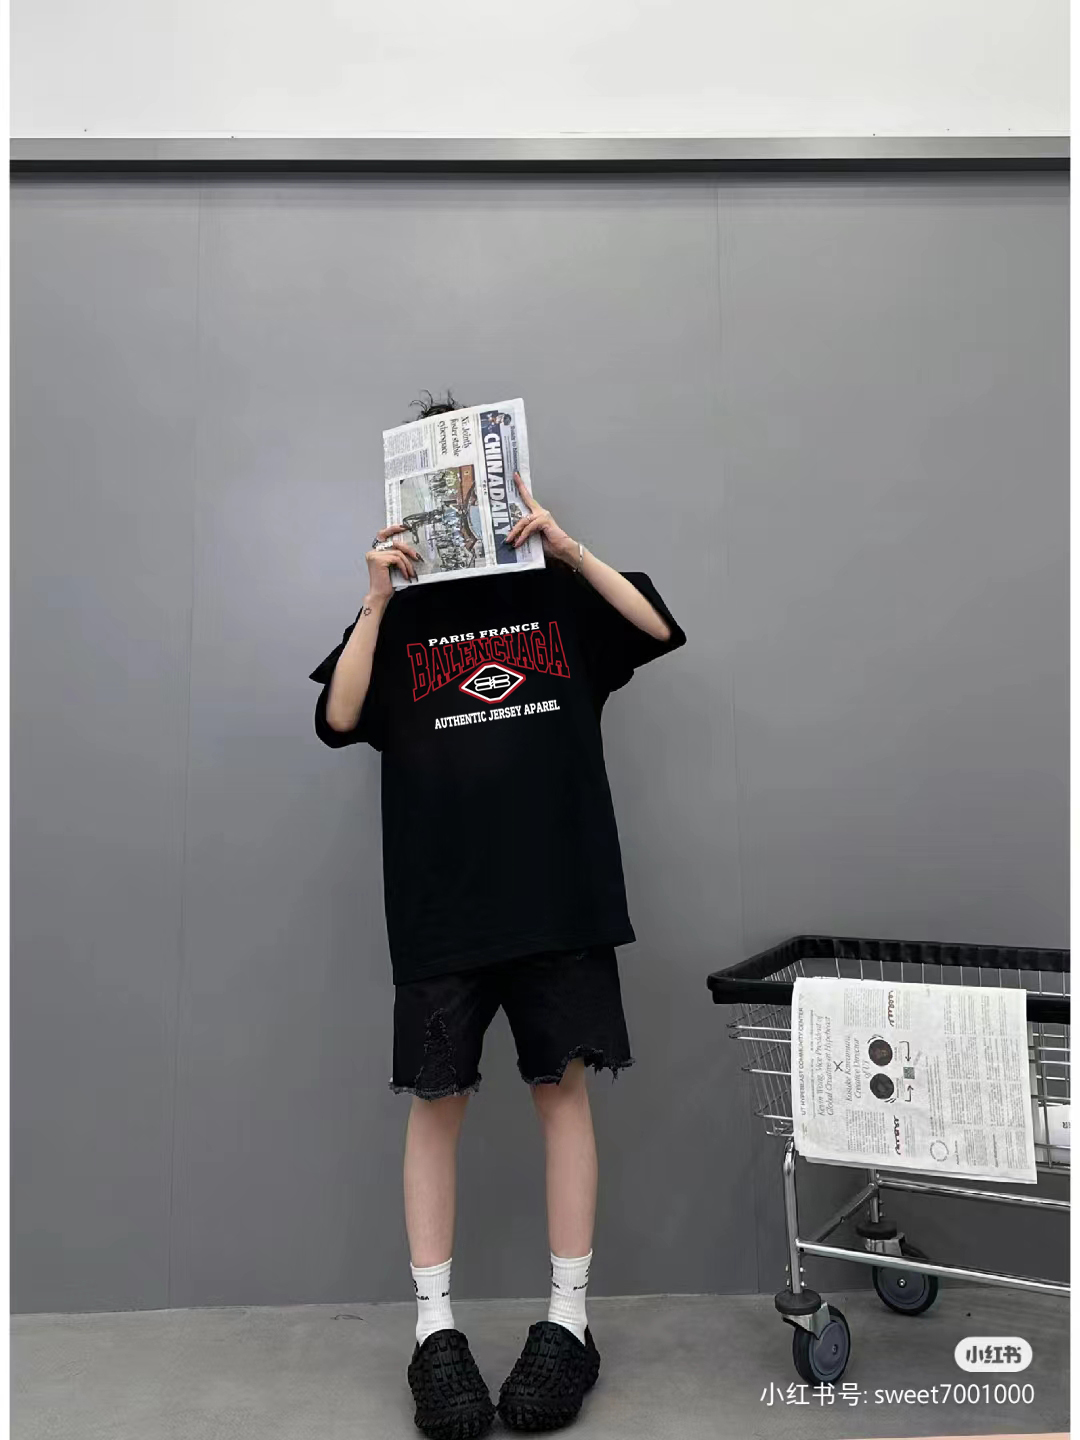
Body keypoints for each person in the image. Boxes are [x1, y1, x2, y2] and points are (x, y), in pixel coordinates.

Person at [309, 393, 686, 1437]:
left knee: (563, 1097)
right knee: (437, 1104)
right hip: (443, 909)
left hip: (560, 896)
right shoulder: (397, 616)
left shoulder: (556, 594)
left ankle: (569, 1321)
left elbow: (655, 628)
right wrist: (376, 602)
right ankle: (434, 1331)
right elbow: (339, 716)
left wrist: (567, 546)